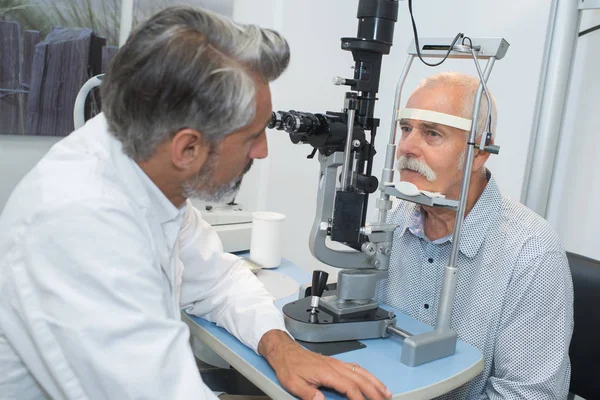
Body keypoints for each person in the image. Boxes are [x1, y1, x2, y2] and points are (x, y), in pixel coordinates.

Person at [0, 6, 392, 400]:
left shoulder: (146, 164)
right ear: (187, 147)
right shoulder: (78, 227)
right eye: (252, 136)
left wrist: (281, 347)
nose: (263, 151)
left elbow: (219, 281)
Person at [379, 72, 574, 399]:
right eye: (406, 129)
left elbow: (529, 394)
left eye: (432, 133)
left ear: (480, 152)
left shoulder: (532, 255)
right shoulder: (394, 219)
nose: (408, 147)